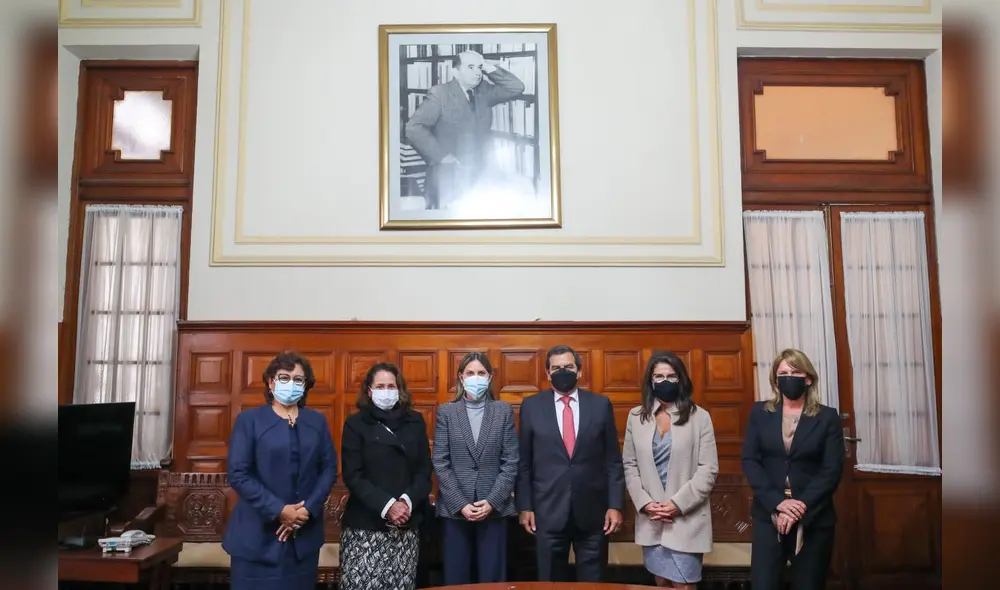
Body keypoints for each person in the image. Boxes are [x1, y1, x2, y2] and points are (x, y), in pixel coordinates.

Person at [222, 351, 338, 590]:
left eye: (298, 379)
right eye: (284, 377)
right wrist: (279, 510)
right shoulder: (249, 420)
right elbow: (238, 473)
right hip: (256, 538)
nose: (291, 384)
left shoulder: (317, 421)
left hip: (303, 538)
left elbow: (328, 469)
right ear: (271, 382)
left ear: (306, 386)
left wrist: (305, 510)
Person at [515, 344, 625, 582]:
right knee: (551, 582)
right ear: (547, 373)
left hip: (593, 513)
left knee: (593, 583)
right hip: (547, 511)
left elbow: (613, 460)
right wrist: (525, 507)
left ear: (579, 371)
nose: (562, 371)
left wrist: (615, 505)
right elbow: (523, 462)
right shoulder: (532, 406)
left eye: (568, 367)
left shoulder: (600, 405)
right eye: (556, 368)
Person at [742, 348, 845, 590]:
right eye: (783, 373)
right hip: (769, 514)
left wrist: (797, 508)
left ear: (808, 378)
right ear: (775, 380)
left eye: (795, 372)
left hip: (813, 516)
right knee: (764, 584)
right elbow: (750, 460)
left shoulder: (827, 417)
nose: (788, 377)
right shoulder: (760, 412)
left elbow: (831, 470)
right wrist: (778, 503)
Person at [622, 352, 719, 589]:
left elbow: (708, 469)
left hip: (687, 518)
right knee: (661, 582)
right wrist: (645, 504)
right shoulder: (636, 417)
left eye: (671, 376)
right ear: (650, 381)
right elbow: (629, 466)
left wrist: (677, 504)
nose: (665, 381)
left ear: (681, 379)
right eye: (659, 376)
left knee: (683, 584)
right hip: (652, 517)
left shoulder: (700, 417)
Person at [339, 362, 432, 590]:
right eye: (380, 386)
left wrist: (405, 503)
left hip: (406, 527)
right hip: (365, 528)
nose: (386, 390)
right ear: (369, 391)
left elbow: (424, 471)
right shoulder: (355, 424)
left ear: (400, 390)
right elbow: (353, 475)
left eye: (391, 386)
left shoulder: (415, 421)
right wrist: (388, 505)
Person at [432, 352, 519, 584]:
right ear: (461, 377)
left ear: (489, 378)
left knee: (492, 579)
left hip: (494, 509)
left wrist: (492, 501)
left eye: (481, 373)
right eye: (470, 373)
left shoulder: (503, 411)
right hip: (455, 510)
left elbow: (510, 462)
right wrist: (461, 504)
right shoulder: (446, 412)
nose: (476, 377)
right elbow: (440, 461)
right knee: (456, 579)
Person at [404, 49, 525, 209]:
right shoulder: (440, 93)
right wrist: (441, 156)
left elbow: (516, 87)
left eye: (479, 68)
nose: (477, 73)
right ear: (456, 71)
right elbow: (413, 128)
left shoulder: (485, 91)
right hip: (448, 173)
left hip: (480, 173)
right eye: (470, 67)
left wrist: (488, 67)